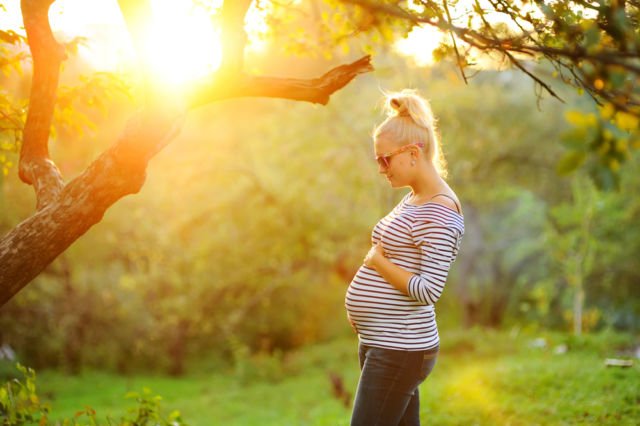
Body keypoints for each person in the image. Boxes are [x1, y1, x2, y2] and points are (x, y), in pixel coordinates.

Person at [345, 89, 464, 426]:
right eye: (377, 160)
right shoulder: (415, 197)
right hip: (382, 343)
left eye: (386, 159)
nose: (381, 168)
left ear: (413, 153)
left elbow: (429, 290)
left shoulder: (440, 211)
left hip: (400, 350)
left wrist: (378, 263)